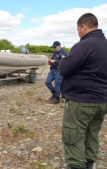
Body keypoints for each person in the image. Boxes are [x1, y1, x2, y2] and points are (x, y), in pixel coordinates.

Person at [58, 13, 107, 169]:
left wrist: (63, 61)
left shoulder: (84, 45)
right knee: (91, 135)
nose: (78, 33)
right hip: (102, 102)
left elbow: (63, 69)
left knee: (73, 138)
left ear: (83, 27)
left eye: (78, 29)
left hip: (81, 101)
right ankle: (89, 165)